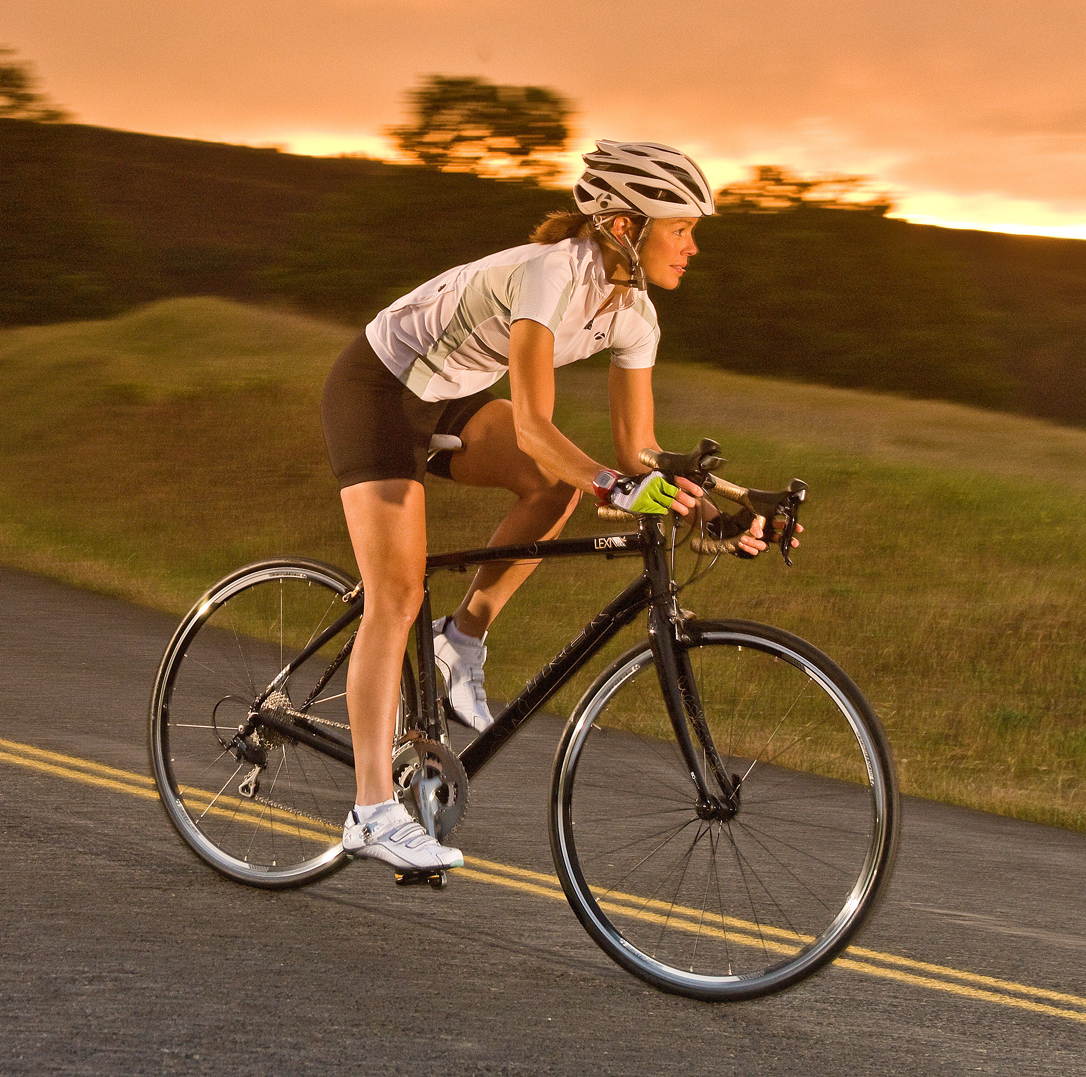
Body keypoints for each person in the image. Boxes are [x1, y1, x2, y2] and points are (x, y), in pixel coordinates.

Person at [318, 139, 784, 874]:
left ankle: (460, 639)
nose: (693, 247)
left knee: (554, 486)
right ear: (626, 226)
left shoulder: (634, 313)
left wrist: (719, 508)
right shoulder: (550, 275)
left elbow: (639, 450)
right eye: (682, 229)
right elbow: (536, 427)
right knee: (396, 595)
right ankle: (371, 812)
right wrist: (611, 485)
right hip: (378, 389)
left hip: (451, 393)